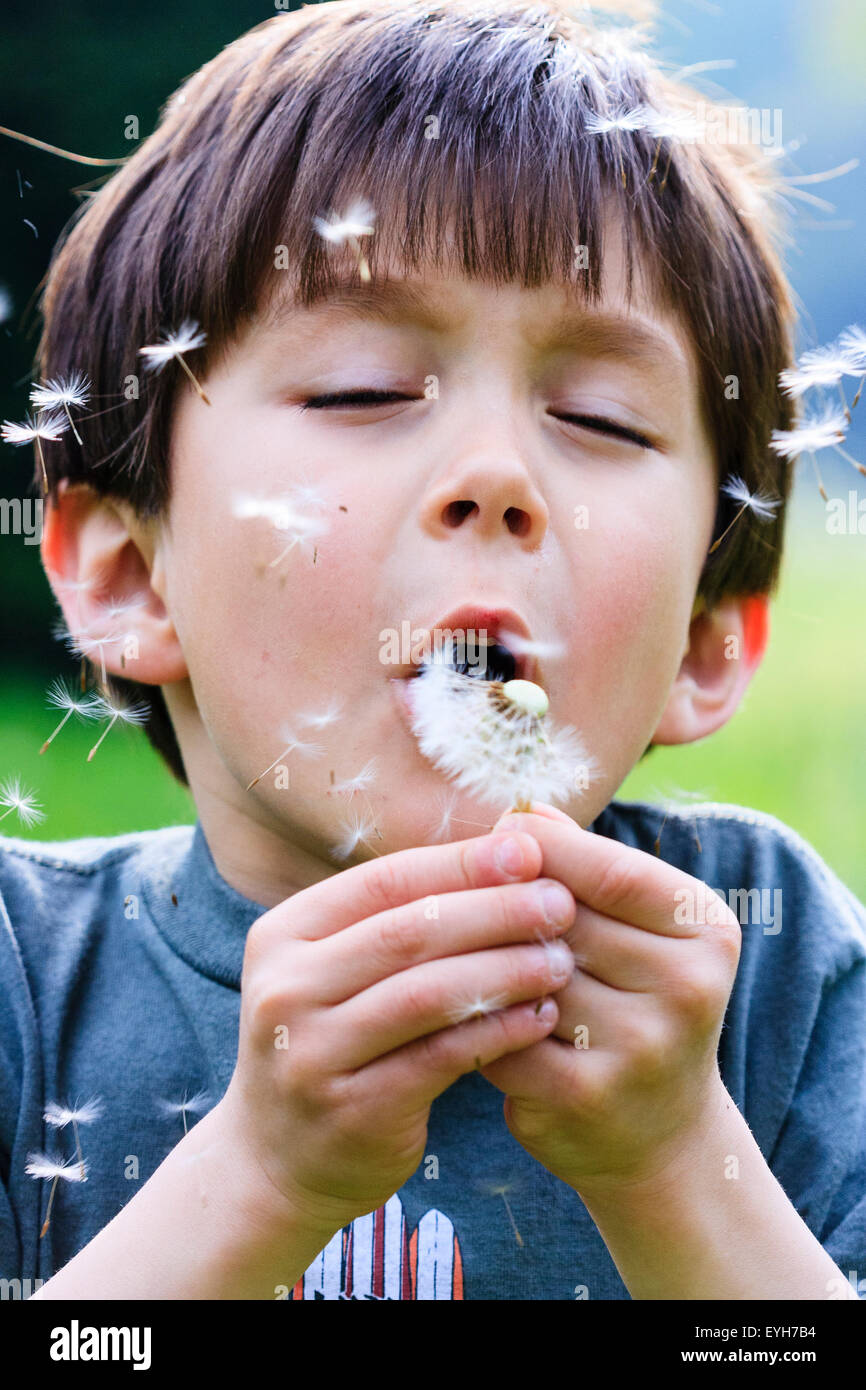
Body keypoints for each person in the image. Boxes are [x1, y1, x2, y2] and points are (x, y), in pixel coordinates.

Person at [2, 0, 864, 1300]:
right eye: (359, 390)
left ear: (700, 637)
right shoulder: (25, 985)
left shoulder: (773, 976)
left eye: (599, 417)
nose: (494, 476)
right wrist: (260, 1181)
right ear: (131, 575)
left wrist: (677, 1170)